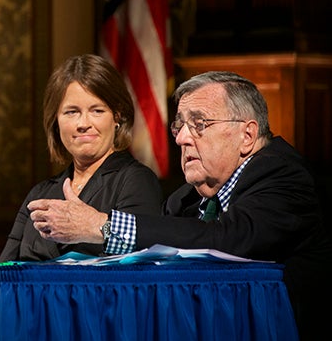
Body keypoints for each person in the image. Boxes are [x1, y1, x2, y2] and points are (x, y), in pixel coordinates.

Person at [28, 70, 332, 340]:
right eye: (180, 126)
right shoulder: (184, 199)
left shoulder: (284, 176)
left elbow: (227, 239)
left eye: (199, 124)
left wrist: (104, 226)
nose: (182, 138)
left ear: (247, 135)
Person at [0, 54, 163, 262]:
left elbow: (140, 263)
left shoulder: (136, 181)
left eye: (97, 110)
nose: (83, 123)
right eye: (71, 112)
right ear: (55, 122)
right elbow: (3, 271)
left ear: (117, 117)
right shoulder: (39, 193)